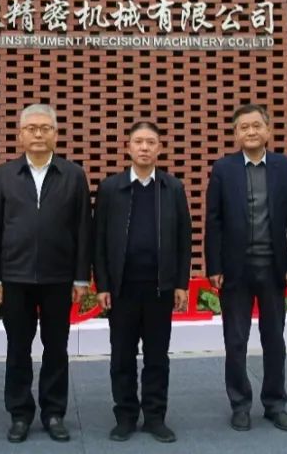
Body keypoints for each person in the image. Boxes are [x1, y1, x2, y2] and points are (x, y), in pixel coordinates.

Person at [0, 103, 92, 443]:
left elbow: (83, 229)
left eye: (45, 128)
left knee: (56, 347)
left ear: (56, 135)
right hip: (14, 277)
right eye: (31, 129)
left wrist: (81, 277)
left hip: (59, 277)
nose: (38, 134)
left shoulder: (73, 175)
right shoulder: (4, 175)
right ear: (20, 135)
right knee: (18, 348)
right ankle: (19, 413)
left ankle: (54, 412)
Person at [205, 104, 287, 432]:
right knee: (235, 340)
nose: (251, 131)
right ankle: (240, 404)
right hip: (235, 269)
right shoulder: (223, 169)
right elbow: (214, 221)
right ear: (236, 134)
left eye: (256, 126)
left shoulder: (284, 167)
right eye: (244, 127)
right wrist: (214, 265)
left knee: (274, 339)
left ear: (268, 130)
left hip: (274, 267)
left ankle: (275, 403)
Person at [93, 121, 192, 443]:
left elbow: (184, 239)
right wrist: (102, 285)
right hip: (122, 288)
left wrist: (181, 283)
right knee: (121, 357)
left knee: (157, 357)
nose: (145, 148)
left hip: (160, 288)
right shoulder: (111, 188)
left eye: (151, 142)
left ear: (159, 148)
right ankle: (125, 417)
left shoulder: (172, 188)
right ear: (128, 147)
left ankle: (154, 417)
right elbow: (98, 240)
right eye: (139, 142)